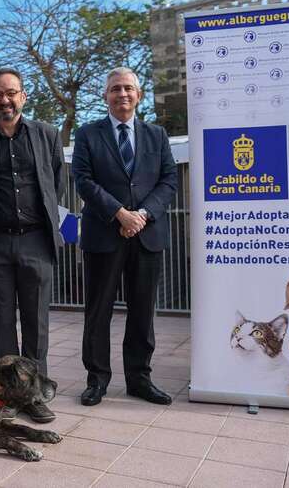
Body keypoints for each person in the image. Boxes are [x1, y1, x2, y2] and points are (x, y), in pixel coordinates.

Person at [0, 68, 64, 423]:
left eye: (11, 93)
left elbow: (55, 185)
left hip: (36, 240)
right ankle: (4, 396)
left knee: (37, 324)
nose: (5, 100)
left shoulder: (47, 135)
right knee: (1, 323)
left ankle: (34, 396)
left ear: (23, 96)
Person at [71, 67, 177, 407]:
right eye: (115, 88)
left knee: (143, 311)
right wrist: (120, 213)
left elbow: (169, 180)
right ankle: (97, 380)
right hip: (104, 233)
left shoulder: (157, 135)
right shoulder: (88, 134)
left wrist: (142, 215)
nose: (122, 94)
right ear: (106, 96)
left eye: (128, 88)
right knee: (98, 311)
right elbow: (83, 179)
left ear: (139, 94)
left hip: (147, 235)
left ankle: (139, 379)